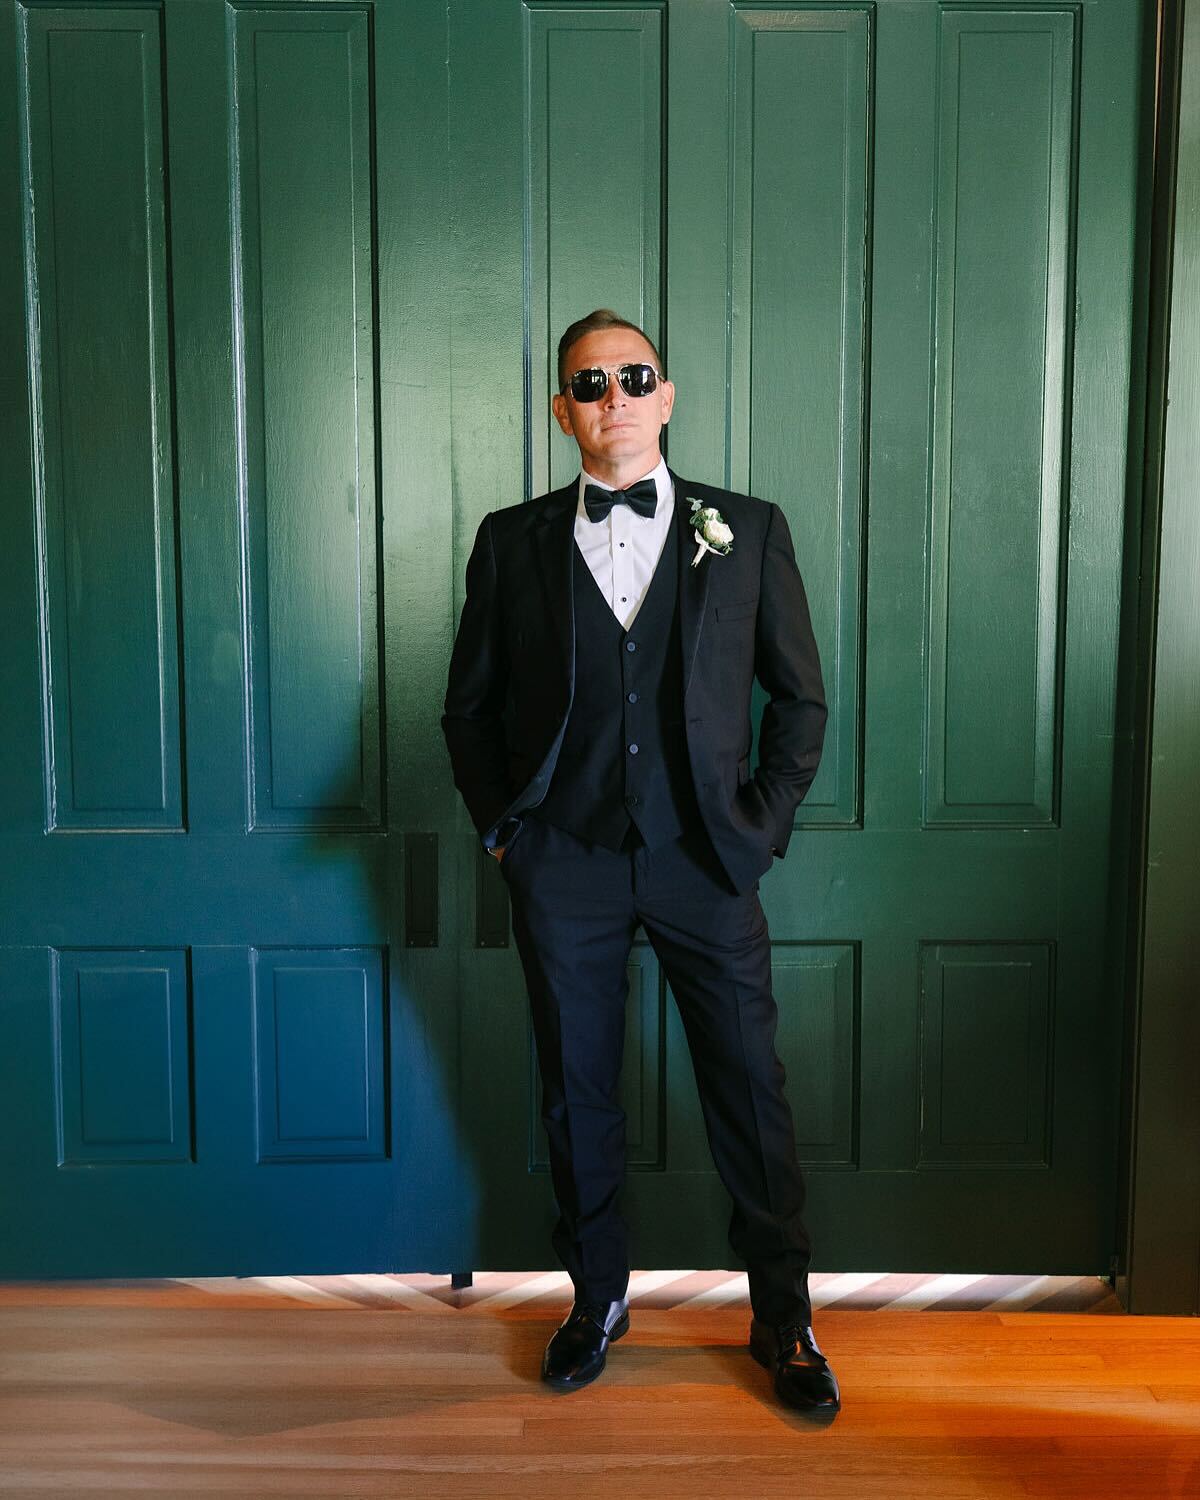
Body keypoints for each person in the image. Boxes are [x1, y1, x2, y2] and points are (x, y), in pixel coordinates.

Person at [441, 307, 839, 1414]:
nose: (612, 396)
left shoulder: (747, 530)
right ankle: (597, 1297)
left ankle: (784, 1316)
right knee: (577, 1092)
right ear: (561, 409)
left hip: (707, 860)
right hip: (561, 861)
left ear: (666, 396)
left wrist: (756, 826)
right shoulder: (509, 540)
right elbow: (466, 710)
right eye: (588, 383)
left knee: (750, 1088)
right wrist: (505, 832)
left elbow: (801, 701)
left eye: (634, 375)